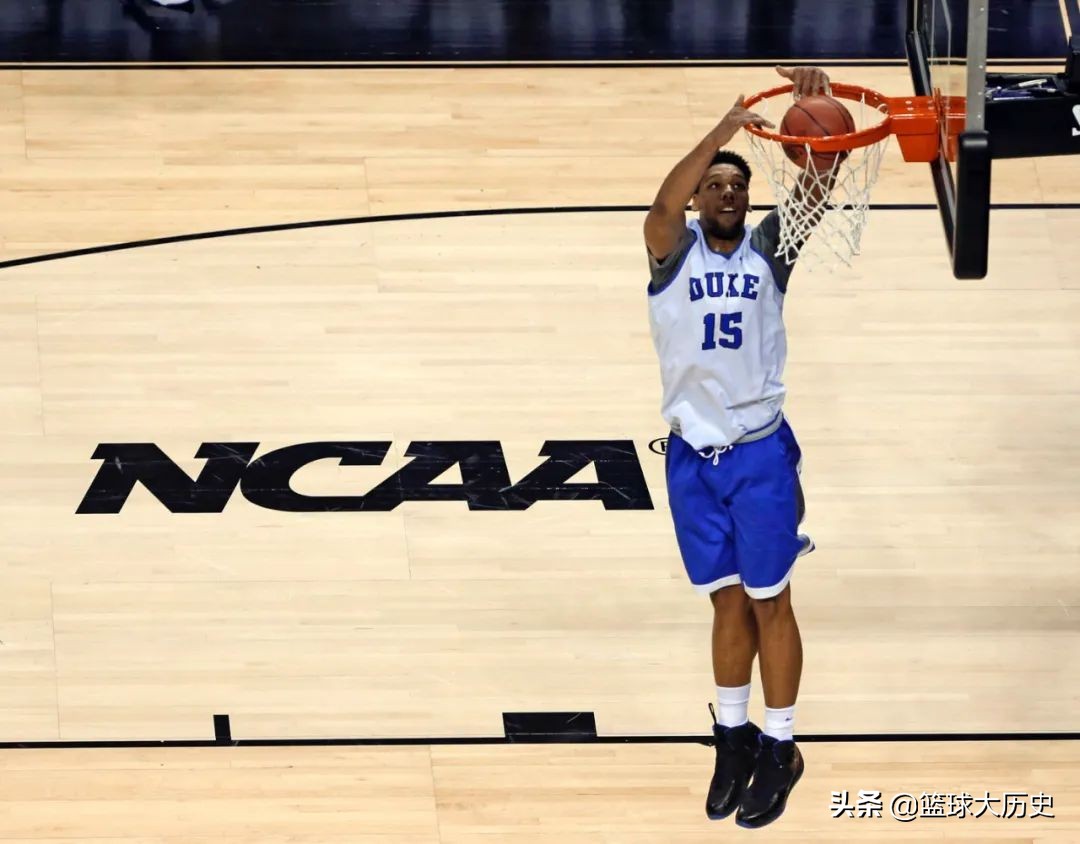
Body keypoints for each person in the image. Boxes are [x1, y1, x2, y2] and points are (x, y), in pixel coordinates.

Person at [643, 64, 832, 829]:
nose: (728, 192)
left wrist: (816, 109)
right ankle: (732, 737)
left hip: (757, 454)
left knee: (770, 601)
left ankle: (780, 746)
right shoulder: (670, 251)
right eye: (715, 185)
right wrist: (721, 135)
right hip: (693, 457)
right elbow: (660, 200)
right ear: (696, 199)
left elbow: (817, 188)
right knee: (725, 602)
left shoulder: (767, 252)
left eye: (737, 186)